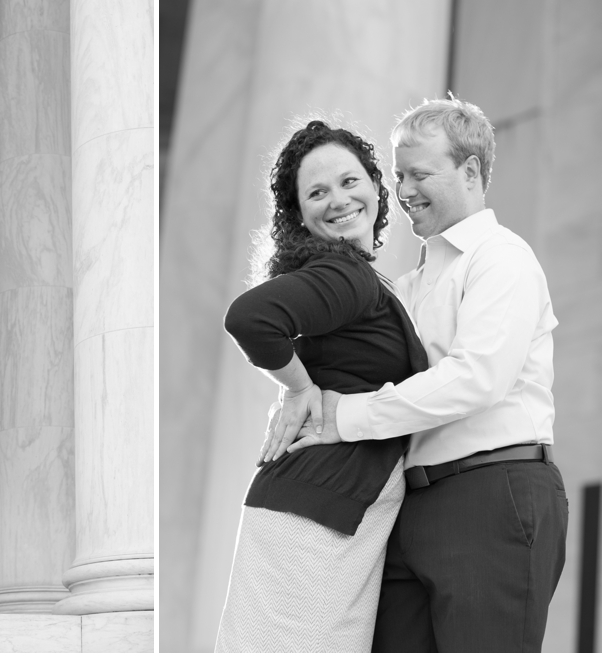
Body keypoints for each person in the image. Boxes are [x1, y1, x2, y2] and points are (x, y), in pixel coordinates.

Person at [276, 98, 568, 652]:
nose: (403, 190)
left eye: (419, 174)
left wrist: (345, 415)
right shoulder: (409, 287)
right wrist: (299, 391)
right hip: (409, 508)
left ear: (472, 171)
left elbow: (475, 378)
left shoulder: (502, 258)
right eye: (397, 174)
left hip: (492, 494)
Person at [215, 120, 428, 652]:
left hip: (318, 508)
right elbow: (250, 317)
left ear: (376, 190)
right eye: (317, 192)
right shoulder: (348, 275)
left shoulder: (355, 275)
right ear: (300, 215)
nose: (338, 200)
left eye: (349, 181)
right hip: (316, 517)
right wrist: (299, 388)